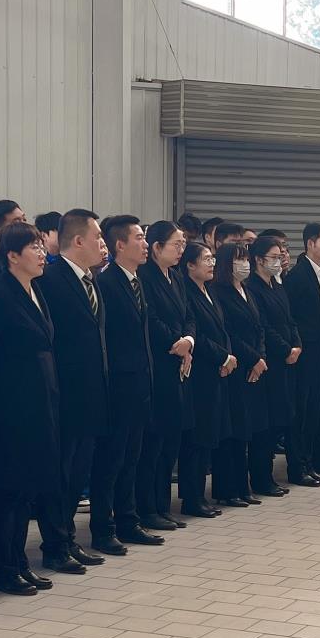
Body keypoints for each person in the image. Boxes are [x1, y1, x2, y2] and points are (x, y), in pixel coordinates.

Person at [0, 224, 60, 597]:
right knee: (5, 491)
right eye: (34, 247)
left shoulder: (35, 290)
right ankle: (1, 567)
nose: (42, 253)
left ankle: (19, 561)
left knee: (26, 490)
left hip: (38, 406)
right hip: (8, 411)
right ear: (12, 255)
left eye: (42, 246)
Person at [37, 209, 112, 568]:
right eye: (98, 237)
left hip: (92, 394)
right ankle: (54, 545)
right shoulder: (51, 280)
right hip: (66, 395)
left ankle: (67, 538)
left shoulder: (90, 279)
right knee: (60, 474)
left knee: (79, 471)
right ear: (79, 241)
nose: (103, 244)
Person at [93, 215, 162, 549]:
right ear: (120, 244)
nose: (145, 244)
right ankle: (103, 528)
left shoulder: (137, 281)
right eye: (139, 238)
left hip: (140, 384)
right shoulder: (106, 283)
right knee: (111, 461)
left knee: (132, 458)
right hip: (119, 386)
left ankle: (128, 520)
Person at [135, 221, 194, 529]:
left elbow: (189, 316)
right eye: (176, 244)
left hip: (179, 365)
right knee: (153, 444)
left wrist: (189, 341)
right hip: (159, 366)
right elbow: (151, 320)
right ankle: (147, 508)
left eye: (183, 244)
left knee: (171, 440)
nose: (181, 250)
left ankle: (162, 505)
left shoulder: (177, 277)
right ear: (156, 247)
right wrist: (177, 343)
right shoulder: (145, 277)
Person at [179, 241, 236, 518]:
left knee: (210, 435)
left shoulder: (209, 290)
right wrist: (222, 357)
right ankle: (192, 498)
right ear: (190, 265)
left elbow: (222, 330)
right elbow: (198, 335)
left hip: (216, 371)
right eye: (206, 259)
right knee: (197, 438)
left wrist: (227, 357)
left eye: (213, 258)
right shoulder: (187, 292)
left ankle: (200, 495)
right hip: (200, 372)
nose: (212, 263)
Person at [209, 243, 266, 507]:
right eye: (238, 260)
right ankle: (227, 489)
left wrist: (260, 357)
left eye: (246, 259)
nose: (245, 264)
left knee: (245, 429)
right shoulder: (219, 292)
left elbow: (259, 327)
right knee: (230, 431)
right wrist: (253, 358)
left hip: (253, 367)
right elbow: (229, 332)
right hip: (234, 366)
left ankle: (243, 487)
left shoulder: (247, 290)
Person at [246, 233, 297, 499]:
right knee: (264, 425)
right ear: (258, 259)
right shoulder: (253, 287)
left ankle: (267, 476)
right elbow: (263, 326)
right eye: (274, 257)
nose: (279, 261)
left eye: (280, 256)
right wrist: (285, 349)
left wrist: (296, 344)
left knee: (279, 418)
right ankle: (261, 478)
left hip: (286, 361)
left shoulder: (277, 285)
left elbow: (289, 319)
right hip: (270, 361)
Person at [283, 224, 320, 485]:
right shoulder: (298, 275)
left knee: (315, 409)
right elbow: (291, 317)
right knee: (301, 411)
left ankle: (309, 462)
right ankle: (296, 467)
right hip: (303, 354)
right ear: (310, 244)